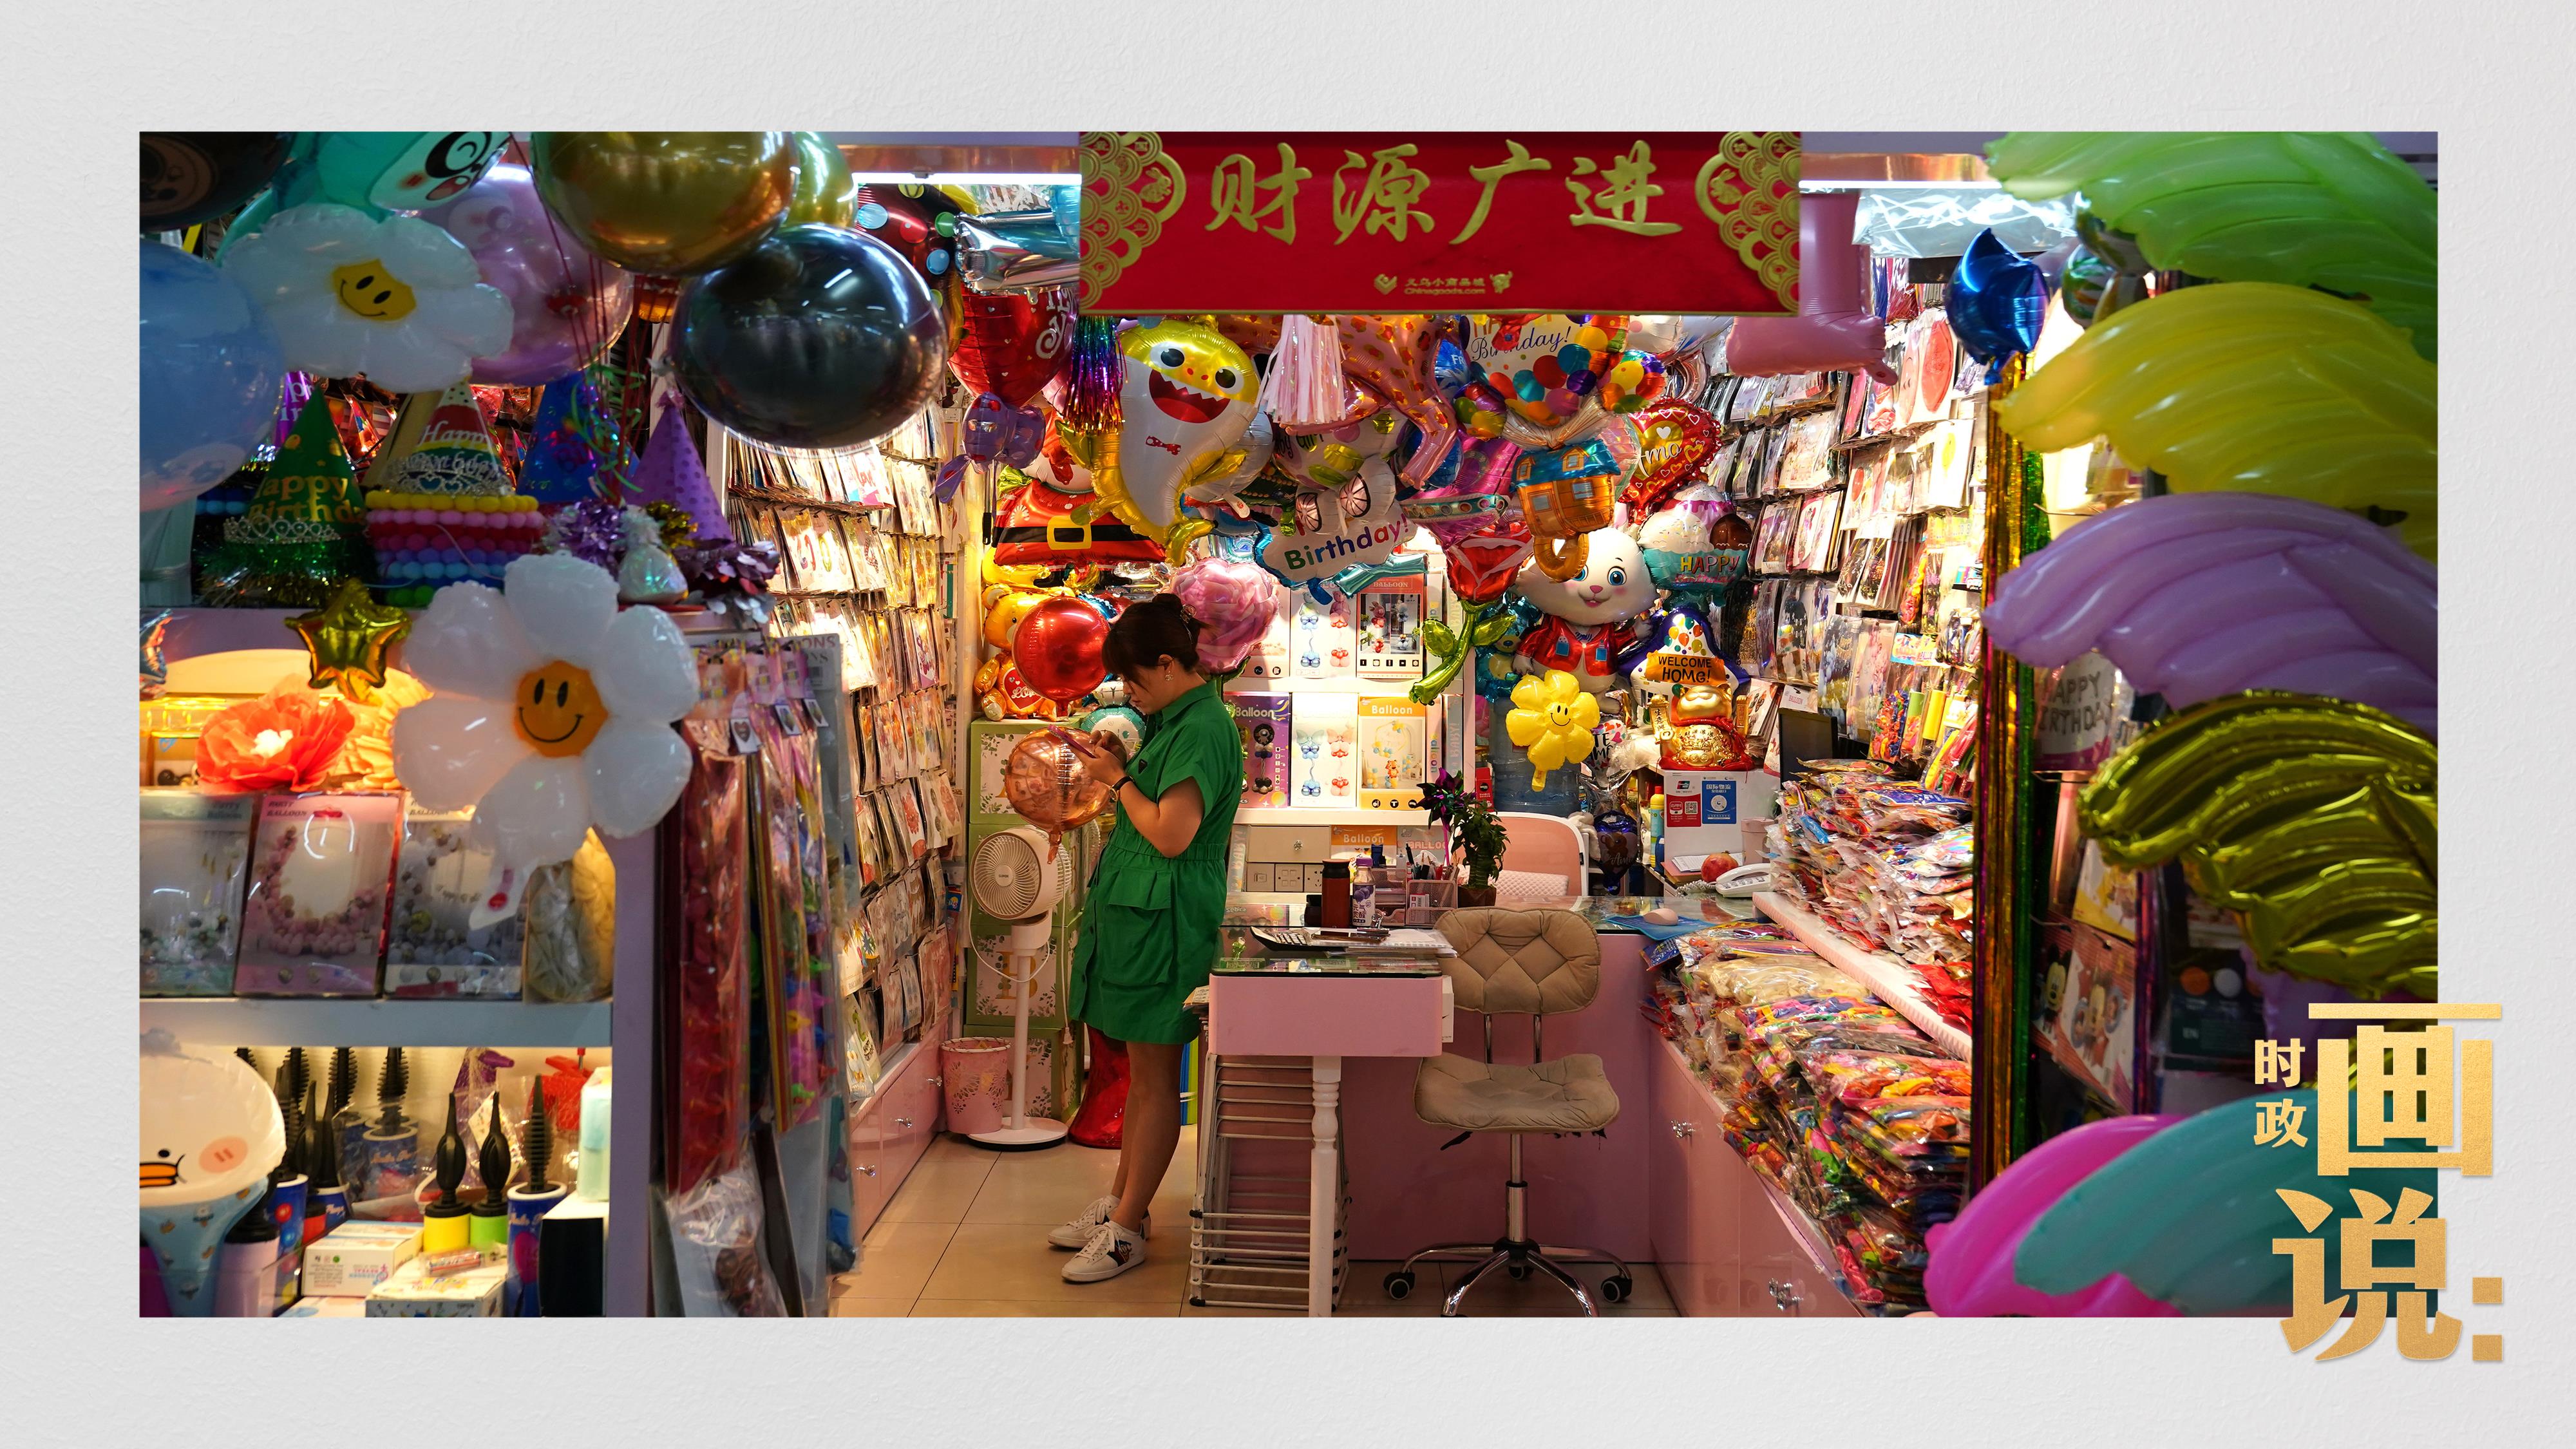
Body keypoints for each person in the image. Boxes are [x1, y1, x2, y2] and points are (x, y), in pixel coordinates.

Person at [1050, 593, 1241, 1283]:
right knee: (1140, 1078)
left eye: (1132, 679)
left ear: (1166, 664)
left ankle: (1127, 1229)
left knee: (1157, 1081)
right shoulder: (1174, 720)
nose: (1128, 693)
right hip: (1141, 916)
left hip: (1167, 921)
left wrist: (1116, 780)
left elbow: (1171, 833)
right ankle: (1121, 1203)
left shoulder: (1204, 728)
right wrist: (1119, 761)